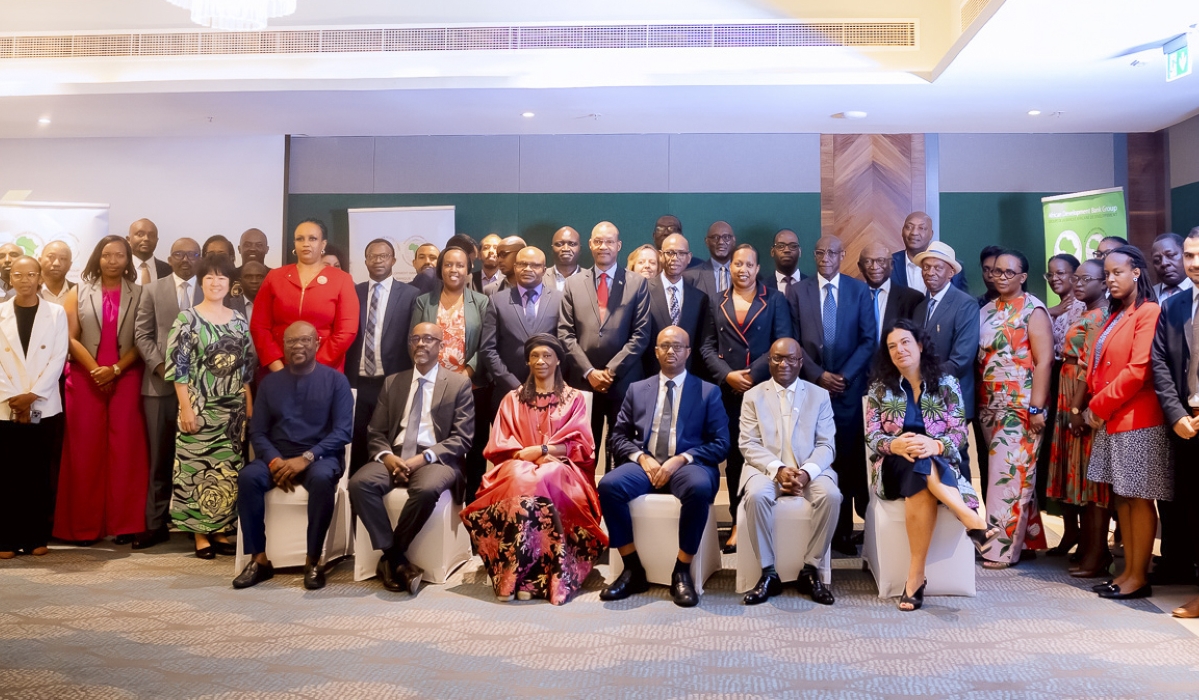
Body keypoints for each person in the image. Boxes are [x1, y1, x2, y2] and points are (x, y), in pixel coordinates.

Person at [865, 319, 998, 611]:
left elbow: (959, 433)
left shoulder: (946, 383)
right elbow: (872, 436)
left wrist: (936, 444)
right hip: (893, 466)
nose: (899, 350)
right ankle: (972, 520)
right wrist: (895, 444)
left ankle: (914, 579)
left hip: (935, 462)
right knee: (916, 459)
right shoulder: (880, 389)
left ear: (920, 345)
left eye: (905, 342)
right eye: (892, 346)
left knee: (922, 466)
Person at [463, 334, 604, 604]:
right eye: (535, 356)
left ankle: (529, 579)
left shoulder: (574, 399)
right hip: (518, 465)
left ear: (559, 361)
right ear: (528, 361)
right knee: (522, 476)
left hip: (564, 469)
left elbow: (582, 446)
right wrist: (527, 457)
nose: (541, 361)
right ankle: (523, 575)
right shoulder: (512, 400)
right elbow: (499, 446)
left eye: (547, 356)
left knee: (547, 476)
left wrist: (543, 451)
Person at [598, 326, 730, 607]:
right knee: (609, 486)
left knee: (698, 487)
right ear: (656, 351)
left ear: (688, 352)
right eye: (665, 346)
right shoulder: (637, 390)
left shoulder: (708, 392)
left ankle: (682, 570)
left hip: (687, 466)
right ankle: (632, 568)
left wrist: (681, 459)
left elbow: (721, 443)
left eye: (678, 346)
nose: (672, 351)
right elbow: (617, 437)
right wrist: (642, 458)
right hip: (645, 464)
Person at [350, 323, 474, 595]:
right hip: (394, 455)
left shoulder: (458, 384)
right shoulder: (394, 381)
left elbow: (462, 439)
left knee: (427, 488)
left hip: (436, 459)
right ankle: (396, 558)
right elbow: (376, 431)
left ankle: (391, 557)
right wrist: (387, 457)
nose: (421, 344)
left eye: (428, 339)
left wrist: (422, 459)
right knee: (359, 483)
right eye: (415, 338)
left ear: (441, 346)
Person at [234, 321, 354, 590]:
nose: (297, 346)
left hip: (320, 458)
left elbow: (343, 432)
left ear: (317, 343)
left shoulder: (336, 381)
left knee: (323, 479)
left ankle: (313, 561)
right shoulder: (270, 383)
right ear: (283, 346)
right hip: (277, 457)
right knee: (248, 477)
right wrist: (275, 461)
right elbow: (258, 432)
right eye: (291, 341)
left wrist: (308, 457)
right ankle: (259, 560)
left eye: (304, 340)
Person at [1086, 245, 1169, 601]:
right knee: (1123, 497)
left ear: (1136, 272)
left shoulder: (1148, 311)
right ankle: (1125, 573)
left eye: (1117, 272)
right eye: (1106, 274)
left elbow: (1138, 370)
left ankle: (1139, 575)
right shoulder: (1115, 314)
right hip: (1114, 417)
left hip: (1139, 417)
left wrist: (1098, 405)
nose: (1110, 279)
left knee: (1139, 498)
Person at [54, 235, 149, 544]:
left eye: (119, 255)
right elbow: (69, 337)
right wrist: (95, 369)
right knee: (84, 451)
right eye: (106, 255)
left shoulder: (141, 294)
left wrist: (117, 369)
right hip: (85, 376)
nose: (112, 260)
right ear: (97, 258)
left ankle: (125, 525)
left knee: (127, 452)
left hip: (127, 375)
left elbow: (143, 340)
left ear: (127, 260)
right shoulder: (77, 292)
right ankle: (83, 527)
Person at [786, 235, 877, 555]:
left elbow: (869, 339)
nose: (826, 258)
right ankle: (828, 528)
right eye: (820, 252)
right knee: (819, 457)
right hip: (811, 389)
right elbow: (792, 341)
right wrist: (818, 375)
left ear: (843, 255)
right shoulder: (797, 292)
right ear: (814, 255)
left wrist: (844, 377)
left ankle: (849, 530)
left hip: (849, 392)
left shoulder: (859, 291)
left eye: (833, 253)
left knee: (850, 459)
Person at [701, 244, 793, 552]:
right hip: (726, 390)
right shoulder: (716, 301)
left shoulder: (775, 299)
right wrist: (728, 375)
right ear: (730, 267)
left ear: (757, 268)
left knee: (763, 454)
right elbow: (706, 346)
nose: (743, 269)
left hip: (763, 388)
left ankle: (758, 517)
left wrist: (752, 373)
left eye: (749, 265)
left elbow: (781, 342)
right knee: (735, 457)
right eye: (737, 264)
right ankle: (737, 520)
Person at [738, 338, 841, 606]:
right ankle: (768, 572)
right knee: (757, 496)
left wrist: (805, 473)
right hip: (766, 469)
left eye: (790, 359)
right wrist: (779, 470)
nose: (784, 364)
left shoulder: (819, 395)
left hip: (810, 470)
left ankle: (810, 569)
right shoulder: (753, 396)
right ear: (769, 360)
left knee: (831, 496)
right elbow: (748, 444)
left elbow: (827, 445)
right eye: (777, 358)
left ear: (800, 362)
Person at [166, 254, 256, 558]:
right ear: (201, 282)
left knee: (226, 471)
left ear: (230, 284)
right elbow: (179, 370)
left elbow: (246, 371)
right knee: (196, 470)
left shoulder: (239, 320)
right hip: (199, 407)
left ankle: (219, 530)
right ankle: (199, 535)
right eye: (209, 277)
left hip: (232, 413)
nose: (216, 283)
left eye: (222, 278)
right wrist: (186, 408)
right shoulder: (187, 319)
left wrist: (248, 407)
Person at [977, 249, 1053, 568]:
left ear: (1022, 277)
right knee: (1017, 475)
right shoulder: (986, 309)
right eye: (996, 272)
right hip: (988, 407)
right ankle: (1030, 536)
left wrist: (1036, 409)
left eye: (1009, 273)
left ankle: (1001, 549)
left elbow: (1044, 360)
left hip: (1020, 409)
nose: (1001, 277)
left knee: (1006, 476)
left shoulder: (1033, 310)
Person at [558, 221, 652, 473]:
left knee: (622, 449)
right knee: (582, 451)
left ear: (619, 245)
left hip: (623, 382)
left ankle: (616, 503)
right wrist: (590, 372)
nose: (603, 246)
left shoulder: (637, 283)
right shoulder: (573, 284)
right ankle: (584, 505)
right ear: (590, 244)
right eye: (598, 241)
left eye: (609, 241)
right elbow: (565, 334)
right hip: (583, 381)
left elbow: (641, 334)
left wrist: (610, 371)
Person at [133, 237, 203, 550]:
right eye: (179, 254)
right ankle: (155, 523)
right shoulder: (151, 290)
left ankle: (195, 524)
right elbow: (142, 335)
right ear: (169, 258)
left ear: (199, 259)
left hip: (202, 390)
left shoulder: (212, 289)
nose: (185, 260)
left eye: (192, 254)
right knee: (159, 457)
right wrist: (162, 367)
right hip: (160, 386)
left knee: (195, 458)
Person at [1047, 259, 1112, 577]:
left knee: (1091, 481)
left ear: (1104, 283)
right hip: (1068, 390)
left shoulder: (1100, 316)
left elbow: (1089, 366)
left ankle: (1098, 553)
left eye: (1087, 278)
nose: (1078, 283)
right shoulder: (1084, 313)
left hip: (1081, 397)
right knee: (1081, 479)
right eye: (1077, 278)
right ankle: (1087, 545)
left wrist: (1076, 409)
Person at [0, 257, 69, 559]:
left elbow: (58, 357)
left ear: (40, 277)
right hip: (6, 404)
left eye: (31, 274)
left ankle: (36, 536)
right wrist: (16, 397)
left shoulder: (55, 313)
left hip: (43, 404)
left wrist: (32, 396)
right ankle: (5, 538)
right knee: (7, 473)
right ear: (10, 278)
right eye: (18, 275)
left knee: (40, 472)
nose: (25, 280)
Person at [412, 246, 490, 499]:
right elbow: (412, 342)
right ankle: (446, 496)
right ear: (440, 269)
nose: (453, 270)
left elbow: (487, 344)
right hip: (433, 386)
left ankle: (472, 502)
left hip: (472, 386)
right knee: (441, 443)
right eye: (448, 265)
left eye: (459, 265)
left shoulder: (480, 302)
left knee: (476, 446)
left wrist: (467, 372)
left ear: (468, 270)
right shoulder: (424, 301)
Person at [1152, 228, 1199, 616]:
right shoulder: (1175, 305)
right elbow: (1161, 365)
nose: (1193, 263)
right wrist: (1177, 414)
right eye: (1189, 256)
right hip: (1186, 424)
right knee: (1191, 508)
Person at [344, 239, 419, 474]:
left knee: (389, 440)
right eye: (372, 256)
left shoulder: (410, 294)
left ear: (393, 260)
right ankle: (356, 494)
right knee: (357, 442)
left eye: (383, 256)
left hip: (393, 382)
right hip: (358, 383)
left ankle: (386, 484)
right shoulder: (352, 292)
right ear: (365, 261)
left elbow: (412, 339)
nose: (378, 260)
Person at [250, 218, 359, 372]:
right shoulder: (274, 277)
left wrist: (314, 367)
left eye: (312, 238)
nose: (306, 243)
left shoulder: (342, 280)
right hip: (278, 370)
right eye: (300, 239)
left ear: (323, 244)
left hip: (324, 370)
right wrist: (278, 368)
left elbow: (346, 331)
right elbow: (259, 327)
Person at [913, 242, 981, 484]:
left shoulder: (965, 304)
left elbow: (962, 358)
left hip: (953, 397)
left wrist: (925, 379)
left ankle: (967, 516)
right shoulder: (920, 307)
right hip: (923, 397)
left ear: (951, 272)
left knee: (956, 458)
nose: (930, 272)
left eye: (937, 268)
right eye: (926, 267)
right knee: (930, 459)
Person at [1040, 252, 1085, 553]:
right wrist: (1052, 311)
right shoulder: (1048, 308)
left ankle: (1091, 538)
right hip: (1055, 383)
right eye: (1050, 274)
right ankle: (1070, 532)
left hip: (1077, 385)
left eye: (1062, 273)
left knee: (1077, 462)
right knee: (1059, 461)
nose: (1056, 278)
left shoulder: (1088, 305)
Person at [480, 247, 562, 397]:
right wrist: (512, 384)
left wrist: (551, 382)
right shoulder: (497, 301)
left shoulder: (560, 300)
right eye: (522, 264)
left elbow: (565, 345)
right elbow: (488, 349)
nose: (528, 269)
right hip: (508, 391)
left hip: (550, 391)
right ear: (515, 267)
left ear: (544, 270)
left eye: (535, 265)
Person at [644, 234, 709, 378]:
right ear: (661, 255)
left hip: (688, 377)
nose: (675, 258)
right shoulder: (643, 291)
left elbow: (701, 345)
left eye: (681, 253)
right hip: (650, 376)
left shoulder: (699, 298)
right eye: (670, 253)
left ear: (689, 257)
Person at [859, 241, 922, 343]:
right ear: (860, 267)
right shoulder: (850, 297)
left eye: (881, 261)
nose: (875, 267)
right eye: (868, 261)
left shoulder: (912, 299)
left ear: (891, 264)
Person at [890, 212, 967, 294]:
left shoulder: (951, 267)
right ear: (902, 231)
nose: (914, 232)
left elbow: (962, 302)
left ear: (931, 234)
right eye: (909, 227)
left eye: (921, 228)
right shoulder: (887, 264)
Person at [684, 221, 736, 303]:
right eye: (715, 237)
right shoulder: (691, 277)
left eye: (726, 237)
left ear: (733, 241)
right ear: (707, 242)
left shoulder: (746, 276)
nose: (721, 242)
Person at [127, 218, 172, 286]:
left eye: (151, 235)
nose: (146, 239)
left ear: (157, 240)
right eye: (140, 234)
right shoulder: (120, 269)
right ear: (128, 240)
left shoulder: (169, 270)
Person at [1151, 233, 1191, 302]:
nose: (1164, 263)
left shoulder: (1196, 290)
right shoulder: (1148, 294)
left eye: (1170, 255)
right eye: (1157, 260)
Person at [549, 226, 582, 291]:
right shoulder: (540, 278)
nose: (566, 249)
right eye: (559, 244)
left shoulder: (592, 278)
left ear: (580, 249)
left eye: (572, 244)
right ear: (552, 249)